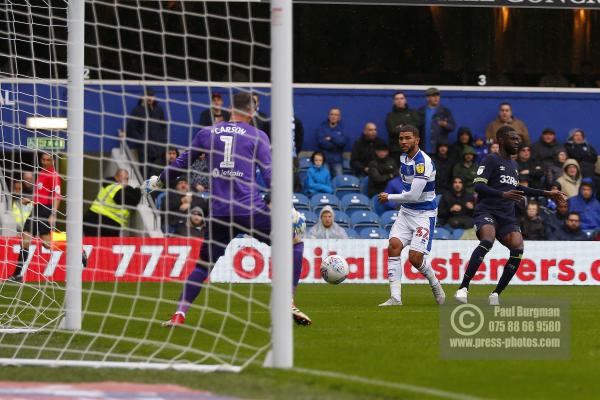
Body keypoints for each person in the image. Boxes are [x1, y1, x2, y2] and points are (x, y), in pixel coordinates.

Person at [143, 92, 309, 327]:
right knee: (295, 238)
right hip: (249, 209)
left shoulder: (208, 132)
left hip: (219, 212)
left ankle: (179, 314)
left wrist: (158, 181)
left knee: (203, 265)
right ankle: (287, 300)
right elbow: (271, 175)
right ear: (252, 112)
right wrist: (286, 204)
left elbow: (182, 162)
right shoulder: (258, 135)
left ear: (231, 108)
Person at [454, 126, 566, 306]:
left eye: (518, 139)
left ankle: (496, 293)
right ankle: (463, 287)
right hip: (487, 211)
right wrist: (502, 195)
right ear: (501, 140)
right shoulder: (490, 159)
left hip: (507, 217)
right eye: (513, 139)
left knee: (518, 248)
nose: (517, 142)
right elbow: (478, 186)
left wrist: (547, 193)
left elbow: (519, 188)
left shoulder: (514, 165)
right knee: (487, 240)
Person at [377, 125, 446, 306]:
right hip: (406, 212)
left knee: (415, 259)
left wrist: (389, 196)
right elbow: (408, 191)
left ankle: (435, 285)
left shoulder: (423, 162)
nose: (403, 142)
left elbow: (414, 195)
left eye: (408, 138)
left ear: (417, 139)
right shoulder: (404, 158)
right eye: (401, 138)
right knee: (393, 246)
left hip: (424, 214)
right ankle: (395, 298)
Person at [8, 153, 84, 282]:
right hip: (37, 209)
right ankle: (78, 251)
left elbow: (57, 195)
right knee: (47, 244)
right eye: (43, 159)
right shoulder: (42, 173)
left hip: (44, 211)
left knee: (26, 239)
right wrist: (30, 199)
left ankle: (17, 274)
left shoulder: (53, 176)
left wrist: (53, 213)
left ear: (53, 161)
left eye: (48, 160)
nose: (45, 162)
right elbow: (41, 195)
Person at [83, 169, 142, 237]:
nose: (125, 181)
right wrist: (138, 190)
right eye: (123, 178)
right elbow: (132, 201)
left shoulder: (111, 186)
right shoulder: (114, 187)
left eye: (127, 179)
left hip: (99, 220)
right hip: (100, 220)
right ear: (116, 177)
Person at [125, 87, 168, 177]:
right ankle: (146, 190)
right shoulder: (137, 110)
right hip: (145, 149)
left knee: (158, 173)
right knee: (146, 173)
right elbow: (131, 129)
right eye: (147, 95)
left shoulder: (159, 109)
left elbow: (163, 126)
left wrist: (163, 141)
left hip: (159, 148)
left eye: (151, 95)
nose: (149, 98)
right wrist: (142, 141)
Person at [385, 91, 420, 161]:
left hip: (411, 150)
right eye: (397, 99)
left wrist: (400, 127)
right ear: (394, 101)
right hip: (396, 150)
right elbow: (392, 131)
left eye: (401, 98)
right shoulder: (390, 116)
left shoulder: (413, 113)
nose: (399, 101)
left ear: (405, 100)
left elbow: (416, 127)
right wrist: (407, 126)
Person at [417, 87, 455, 153]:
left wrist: (445, 125)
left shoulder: (445, 111)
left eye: (437, 96)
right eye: (433, 96)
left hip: (439, 150)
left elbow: (452, 127)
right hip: (423, 149)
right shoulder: (421, 111)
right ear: (427, 98)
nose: (436, 98)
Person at [316, 107, 347, 177]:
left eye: (336, 115)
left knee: (339, 183)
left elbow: (342, 143)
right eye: (332, 114)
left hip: (337, 161)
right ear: (328, 116)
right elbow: (321, 143)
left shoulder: (342, 129)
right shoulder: (322, 128)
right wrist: (336, 143)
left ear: (339, 117)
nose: (333, 116)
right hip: (324, 160)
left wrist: (331, 138)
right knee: (325, 181)